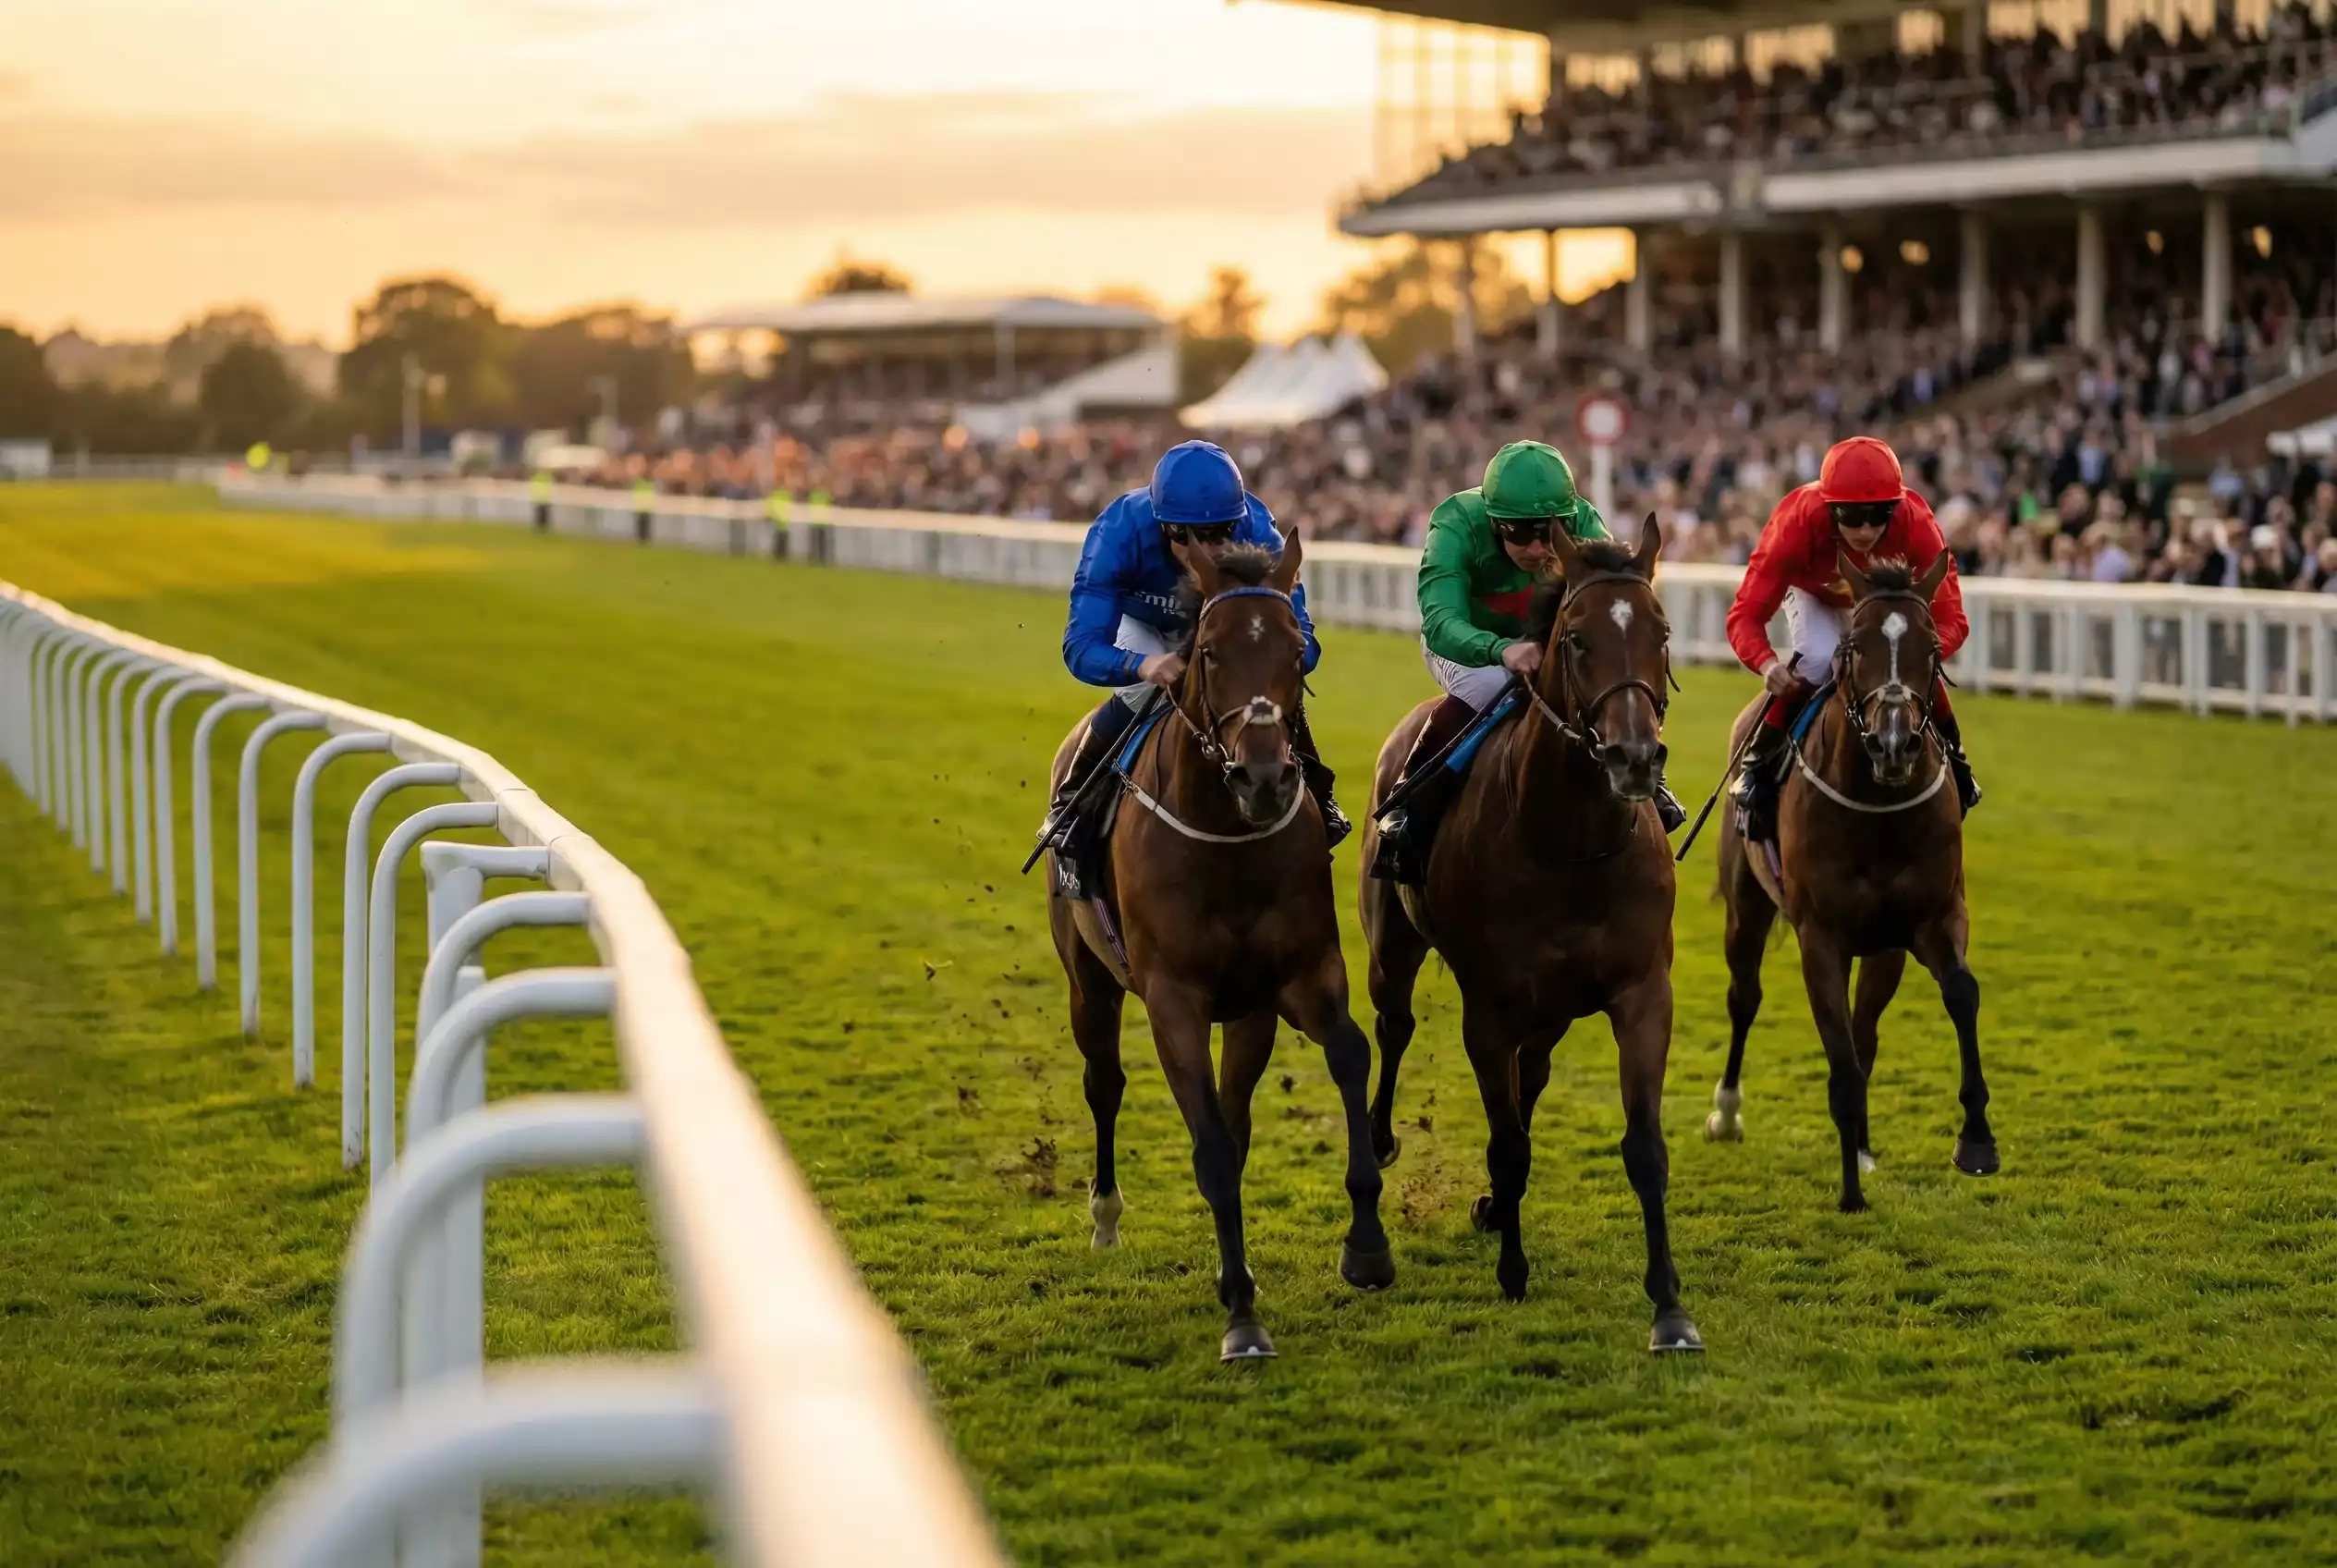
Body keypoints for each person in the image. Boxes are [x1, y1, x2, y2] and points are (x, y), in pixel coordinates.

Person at [1035, 441, 1348, 894]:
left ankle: (1318, 791)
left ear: (1237, 522)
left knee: (1256, 686)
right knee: (1148, 689)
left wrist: (1270, 658)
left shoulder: (1260, 532)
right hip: (1143, 627)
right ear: (1165, 527)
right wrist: (1142, 664)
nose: (1208, 549)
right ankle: (1072, 799)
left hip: (1220, 622)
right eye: (1189, 537)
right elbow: (1081, 647)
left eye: (1221, 533)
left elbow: (1304, 645)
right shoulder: (1118, 531)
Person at [1373, 440, 1686, 885]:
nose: (1538, 548)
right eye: (1520, 533)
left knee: (1590, 687)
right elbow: (1441, 621)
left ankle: (1642, 770)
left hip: (1548, 642)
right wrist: (1499, 650)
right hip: (1466, 645)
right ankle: (1411, 799)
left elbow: (1607, 606)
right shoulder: (1455, 524)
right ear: (1493, 520)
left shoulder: (1583, 522)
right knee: (1491, 688)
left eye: (1547, 531)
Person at [1725, 435, 1980, 845]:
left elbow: (1953, 618)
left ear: (1896, 508)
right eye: (1851, 515)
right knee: (1818, 657)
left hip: (1881, 601)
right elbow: (1746, 615)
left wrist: (1919, 653)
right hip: (1814, 594)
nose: (1865, 530)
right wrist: (1766, 663)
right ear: (1829, 507)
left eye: (1879, 515)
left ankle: (1957, 756)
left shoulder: (1916, 524)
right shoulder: (1797, 522)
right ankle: (1758, 762)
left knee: (1904, 665)